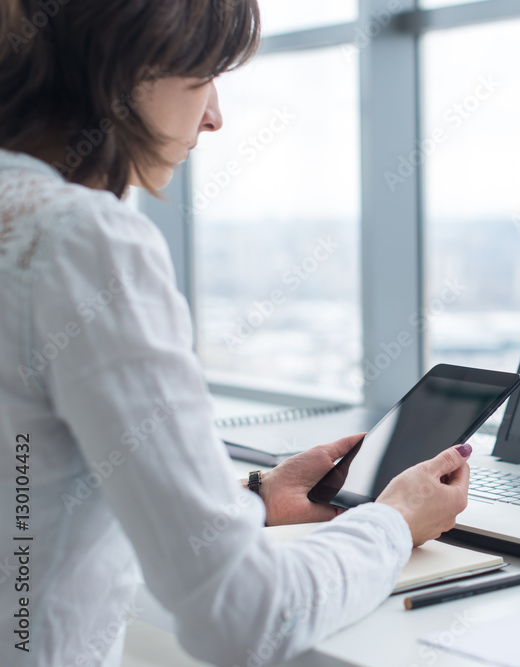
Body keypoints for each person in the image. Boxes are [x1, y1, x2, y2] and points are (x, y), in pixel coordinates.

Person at [0, 1, 471, 665]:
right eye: (203, 77)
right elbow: (248, 618)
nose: (216, 115)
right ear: (127, 66)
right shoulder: (81, 242)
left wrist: (249, 499)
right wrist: (393, 522)